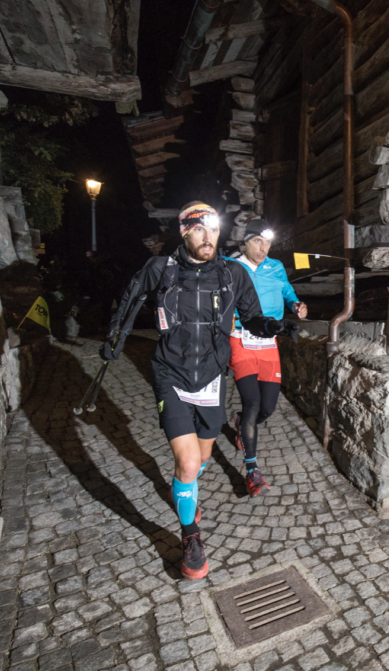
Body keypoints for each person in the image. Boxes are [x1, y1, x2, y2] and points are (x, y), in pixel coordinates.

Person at [100, 202, 299, 580]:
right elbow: (130, 300)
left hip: (211, 377)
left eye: (213, 230)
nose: (208, 238)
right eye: (199, 230)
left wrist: (272, 326)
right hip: (170, 374)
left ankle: (186, 490)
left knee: (202, 457)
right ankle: (191, 535)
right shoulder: (160, 269)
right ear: (184, 232)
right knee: (188, 461)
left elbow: (252, 317)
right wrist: (115, 337)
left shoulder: (232, 274)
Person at [228, 224, 308, 497]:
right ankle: (252, 471)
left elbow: (286, 290)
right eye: (258, 242)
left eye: (268, 243)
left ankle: (240, 423)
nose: (264, 249)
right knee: (252, 402)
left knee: (268, 409)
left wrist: (295, 304)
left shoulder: (275, 266)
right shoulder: (229, 266)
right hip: (240, 339)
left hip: (268, 341)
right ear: (245, 242)